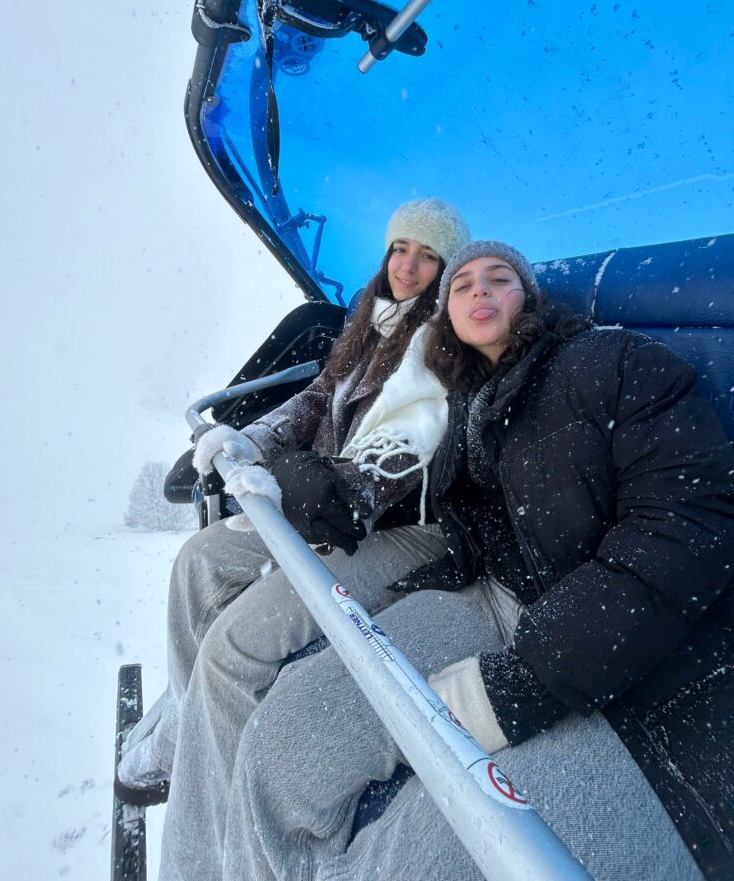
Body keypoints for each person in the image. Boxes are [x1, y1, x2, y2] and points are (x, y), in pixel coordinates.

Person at [222, 240, 734, 881]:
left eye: (499, 279)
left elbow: (684, 526)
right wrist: (323, 484)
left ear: (530, 300)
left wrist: (525, 681)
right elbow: (407, 473)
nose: (479, 291)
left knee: (410, 858)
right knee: (283, 741)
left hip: (628, 673)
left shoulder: (614, 362)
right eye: (462, 285)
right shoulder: (463, 399)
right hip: (489, 596)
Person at [114, 199, 468, 809]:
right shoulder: (372, 322)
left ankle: (209, 763)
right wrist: (249, 441)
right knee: (198, 561)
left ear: (444, 271)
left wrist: (327, 484)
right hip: (317, 494)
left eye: (428, 256)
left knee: (237, 639)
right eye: (400, 249)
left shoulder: (435, 344)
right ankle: (185, 712)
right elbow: (316, 397)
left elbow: (408, 449)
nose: (408, 267)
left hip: (378, 521)